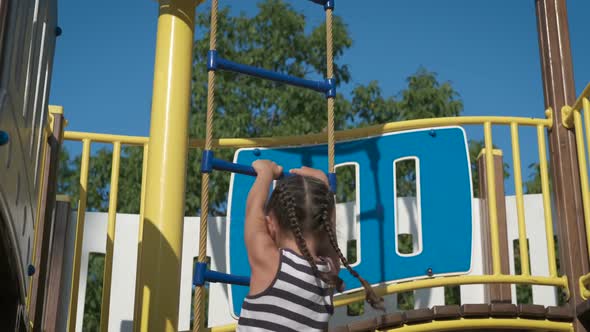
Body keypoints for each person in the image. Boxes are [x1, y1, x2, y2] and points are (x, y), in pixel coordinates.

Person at [236, 160, 384, 331]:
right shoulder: (328, 272)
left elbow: (253, 213)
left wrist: (265, 174)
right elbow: (329, 234)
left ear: (270, 224)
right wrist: (324, 185)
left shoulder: (271, 263)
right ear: (324, 228)